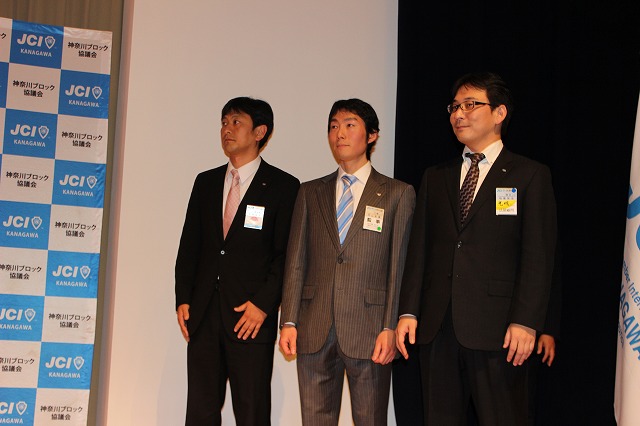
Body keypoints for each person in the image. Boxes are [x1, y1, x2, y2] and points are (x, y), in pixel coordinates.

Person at [396, 72, 557, 425]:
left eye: (470, 105)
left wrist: (526, 322)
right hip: (438, 327)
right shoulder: (435, 176)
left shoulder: (529, 175)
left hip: (499, 330)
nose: (459, 114)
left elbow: (538, 256)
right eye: (454, 107)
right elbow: (419, 251)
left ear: (499, 113)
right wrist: (408, 312)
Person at [279, 98, 415, 425]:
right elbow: (296, 261)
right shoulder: (310, 192)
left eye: (350, 125)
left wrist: (390, 326)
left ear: (372, 135)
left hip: (370, 329)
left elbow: (399, 267)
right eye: (333, 126)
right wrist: (289, 321)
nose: (339, 133)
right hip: (314, 326)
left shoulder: (397, 193)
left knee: (369, 419)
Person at [175, 97, 300, 425]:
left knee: (252, 411)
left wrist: (263, 305)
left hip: (250, 317)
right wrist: (184, 298)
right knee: (200, 411)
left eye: (236, 122)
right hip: (204, 314)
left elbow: (286, 256)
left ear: (260, 132)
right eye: (224, 122)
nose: (226, 129)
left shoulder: (284, 187)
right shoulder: (206, 182)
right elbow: (190, 246)